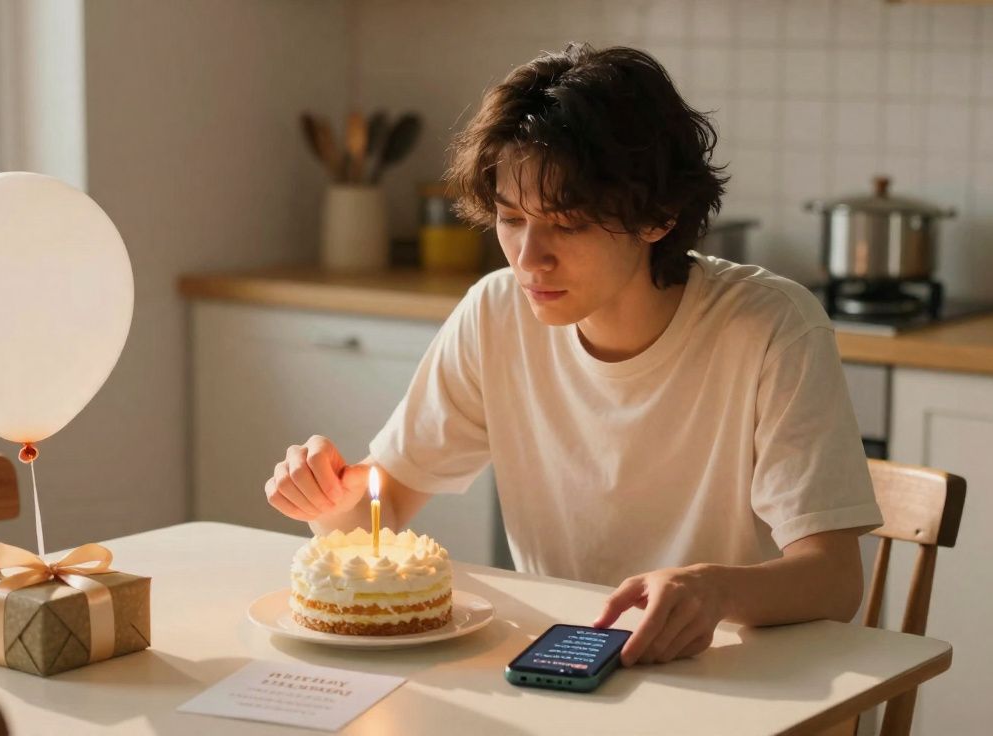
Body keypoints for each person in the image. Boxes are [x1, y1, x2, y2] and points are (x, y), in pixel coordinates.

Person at [263, 44, 883, 668]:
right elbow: (385, 505)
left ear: (659, 216)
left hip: (737, 676)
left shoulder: (771, 326)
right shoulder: (496, 312)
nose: (529, 259)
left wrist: (715, 590)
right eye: (511, 218)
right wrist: (329, 498)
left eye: (568, 224)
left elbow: (833, 580)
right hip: (561, 665)